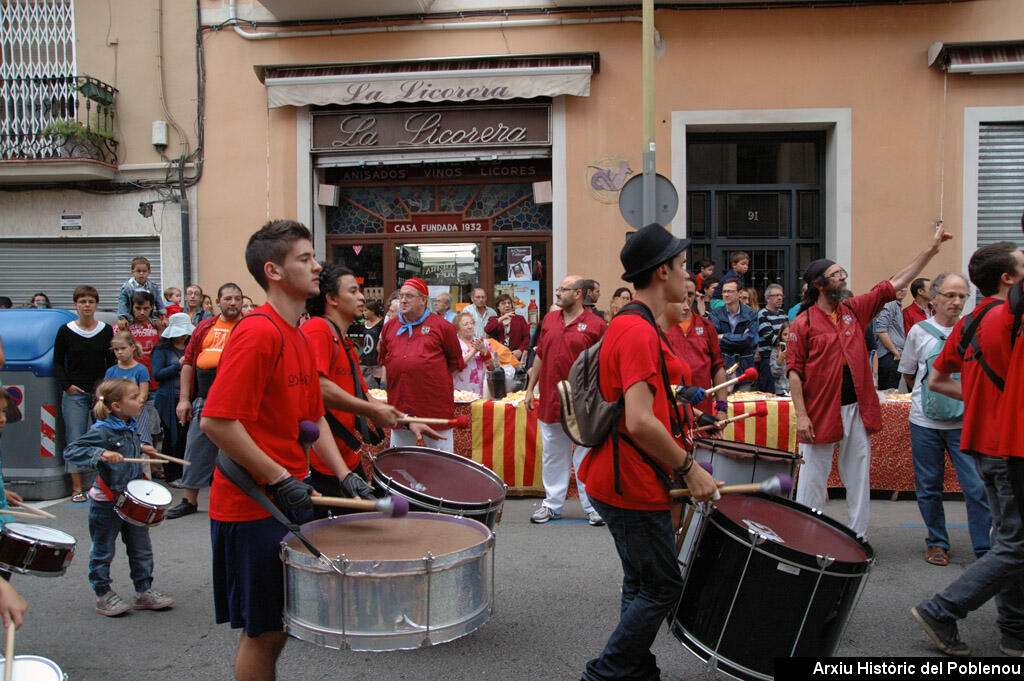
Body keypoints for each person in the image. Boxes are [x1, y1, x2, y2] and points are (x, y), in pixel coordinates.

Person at [200, 220, 364, 681]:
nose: (317, 267)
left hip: (287, 497)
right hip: (252, 506)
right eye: (305, 259)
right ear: (273, 270)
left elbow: (312, 421)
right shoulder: (259, 332)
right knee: (264, 632)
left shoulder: (295, 331)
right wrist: (279, 477)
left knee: (281, 626)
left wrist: (343, 473)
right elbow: (216, 421)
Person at [577, 223, 720, 681]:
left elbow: (649, 401)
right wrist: (690, 469)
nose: (688, 276)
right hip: (631, 481)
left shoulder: (635, 325)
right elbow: (638, 420)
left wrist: (684, 407)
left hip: (623, 477)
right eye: (681, 266)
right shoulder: (635, 330)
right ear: (661, 272)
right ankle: (607, 672)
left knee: (642, 582)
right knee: (662, 585)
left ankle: (635, 669)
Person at [788, 224, 951, 538]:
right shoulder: (802, 322)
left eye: (842, 272)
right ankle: (803, 537)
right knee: (812, 479)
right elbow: (795, 371)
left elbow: (896, 282)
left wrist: (931, 250)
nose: (843, 277)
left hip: (856, 408)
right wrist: (803, 415)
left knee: (858, 474)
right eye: (837, 274)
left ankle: (857, 537)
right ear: (819, 284)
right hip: (821, 411)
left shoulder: (853, 309)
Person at [912, 241, 1024, 657]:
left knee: (1010, 540)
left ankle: (1014, 630)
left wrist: (977, 398)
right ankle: (942, 609)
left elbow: (937, 378)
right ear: (1008, 279)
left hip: (983, 440)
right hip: (1009, 443)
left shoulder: (971, 321)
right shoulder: (1010, 317)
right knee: (1015, 544)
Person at [897, 272, 990, 566]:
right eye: (950, 295)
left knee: (976, 487)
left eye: (962, 296)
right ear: (934, 297)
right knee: (929, 486)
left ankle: (985, 548)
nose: (956, 301)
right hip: (925, 422)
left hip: (965, 422)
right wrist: (931, 401)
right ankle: (937, 543)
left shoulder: (975, 329)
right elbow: (910, 372)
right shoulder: (919, 332)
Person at [64, 378, 174, 616]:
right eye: (133, 398)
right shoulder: (102, 430)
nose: (140, 400)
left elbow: (127, 447)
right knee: (103, 550)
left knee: (141, 548)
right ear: (115, 405)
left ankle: (144, 590)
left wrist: (142, 447)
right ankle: (103, 593)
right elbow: (72, 451)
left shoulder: (131, 425)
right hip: (107, 501)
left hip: (133, 500)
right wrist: (102, 453)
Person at [303, 263, 401, 518]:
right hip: (323, 461)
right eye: (353, 291)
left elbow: (363, 394)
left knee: (361, 533)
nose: (362, 297)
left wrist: (405, 420)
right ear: (331, 299)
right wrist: (370, 409)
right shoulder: (317, 329)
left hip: (346, 455)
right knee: (337, 542)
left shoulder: (345, 343)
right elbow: (317, 386)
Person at [525, 275, 607, 526]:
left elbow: (604, 365)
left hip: (584, 401)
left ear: (580, 294)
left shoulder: (597, 325)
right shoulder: (549, 319)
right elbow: (539, 355)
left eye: (564, 289)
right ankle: (552, 504)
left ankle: (592, 506)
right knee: (553, 453)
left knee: (585, 454)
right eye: (558, 289)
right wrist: (530, 388)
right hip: (551, 397)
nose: (558, 293)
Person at [166, 284, 244, 519]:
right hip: (206, 396)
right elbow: (188, 362)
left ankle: (242, 501)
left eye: (237, 298)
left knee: (240, 452)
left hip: (239, 399)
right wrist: (184, 400)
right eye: (228, 298)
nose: (233, 303)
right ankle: (189, 500)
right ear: (218, 302)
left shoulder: (250, 325)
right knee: (196, 449)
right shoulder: (204, 327)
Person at [378, 278, 464, 451]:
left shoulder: (443, 327)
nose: (402, 300)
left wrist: (428, 376)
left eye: (409, 296)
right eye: (401, 295)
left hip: (434, 408)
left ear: (423, 300)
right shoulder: (390, 327)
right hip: (401, 407)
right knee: (400, 463)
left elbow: (455, 363)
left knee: (441, 463)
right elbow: (384, 359)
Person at [54, 285, 114, 503]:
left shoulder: (106, 330)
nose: (86, 305)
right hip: (75, 394)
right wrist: (67, 386)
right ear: (75, 305)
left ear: (96, 304)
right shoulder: (65, 330)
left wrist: (107, 389)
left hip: (100, 395)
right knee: (76, 438)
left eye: (90, 301)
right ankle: (77, 488)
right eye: (82, 302)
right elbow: (58, 363)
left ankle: (101, 485)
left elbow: (112, 362)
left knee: (103, 438)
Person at [660, 278, 728, 420]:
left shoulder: (707, 326)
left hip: (703, 408)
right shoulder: (661, 327)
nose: (686, 299)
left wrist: (722, 408)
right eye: (681, 295)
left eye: (690, 294)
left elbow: (717, 367)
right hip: (672, 409)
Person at [152, 313, 194, 484]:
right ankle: (172, 474)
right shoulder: (161, 350)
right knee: (171, 437)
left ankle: (185, 474)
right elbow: (157, 374)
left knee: (186, 437)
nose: (183, 336)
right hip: (168, 400)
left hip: (188, 398)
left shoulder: (191, 346)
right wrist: (178, 364)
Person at [104, 332, 154, 447]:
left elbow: (143, 394)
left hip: (137, 412)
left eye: (123, 348)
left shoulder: (141, 369)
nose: (120, 352)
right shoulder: (111, 371)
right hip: (116, 413)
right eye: (116, 349)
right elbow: (105, 393)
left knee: (141, 442)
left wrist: (135, 404)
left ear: (132, 347)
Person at [709, 279, 758, 379]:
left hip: (744, 366)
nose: (726, 295)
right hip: (723, 365)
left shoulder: (750, 314)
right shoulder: (715, 314)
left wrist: (723, 336)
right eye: (724, 291)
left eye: (730, 291)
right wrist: (741, 338)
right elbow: (713, 340)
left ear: (739, 293)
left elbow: (750, 340)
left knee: (745, 394)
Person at [873, 285, 910, 390]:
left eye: (905, 286)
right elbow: (881, 330)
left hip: (893, 356)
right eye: (899, 286)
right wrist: (895, 352)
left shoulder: (896, 305)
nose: (902, 289)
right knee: (888, 395)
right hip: (889, 356)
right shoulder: (890, 303)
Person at [453, 311, 495, 395]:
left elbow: (493, 367)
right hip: (460, 393)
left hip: (481, 392)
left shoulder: (482, 342)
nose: (470, 326)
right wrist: (473, 351)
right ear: (457, 329)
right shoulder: (454, 344)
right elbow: (454, 368)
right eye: (466, 324)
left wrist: (484, 352)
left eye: (471, 323)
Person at [117, 257, 165, 328]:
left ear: (149, 272)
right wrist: (123, 318)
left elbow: (159, 301)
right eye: (138, 271)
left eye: (144, 271)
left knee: (160, 326)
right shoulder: (127, 287)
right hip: (131, 317)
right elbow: (122, 302)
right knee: (123, 326)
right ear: (132, 272)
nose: (141, 273)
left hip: (148, 316)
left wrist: (164, 316)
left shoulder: (152, 287)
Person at [757, 283, 788, 394]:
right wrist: (785, 344)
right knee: (770, 392)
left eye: (781, 295)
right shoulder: (762, 314)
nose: (780, 298)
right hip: (768, 359)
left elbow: (787, 333)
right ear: (767, 298)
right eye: (776, 295)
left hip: (783, 358)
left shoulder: (783, 314)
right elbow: (770, 337)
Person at [485, 293, 530, 361]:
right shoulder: (493, 319)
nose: (507, 305)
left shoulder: (520, 319)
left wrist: (520, 350)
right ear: (498, 307)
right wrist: (502, 318)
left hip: (516, 355)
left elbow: (526, 337)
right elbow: (487, 329)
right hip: (499, 356)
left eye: (509, 303)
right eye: (503, 303)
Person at [359, 299, 385, 389]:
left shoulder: (381, 324)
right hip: (366, 357)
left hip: (376, 358)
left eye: (366, 310)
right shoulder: (364, 324)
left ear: (373, 311)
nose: (363, 313)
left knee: (377, 383)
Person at [770, 321, 791, 395]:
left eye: (790, 334)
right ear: (781, 336)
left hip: (796, 389)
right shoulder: (775, 351)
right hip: (781, 390)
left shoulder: (800, 350)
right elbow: (774, 374)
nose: (788, 337)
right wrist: (779, 361)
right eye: (785, 334)